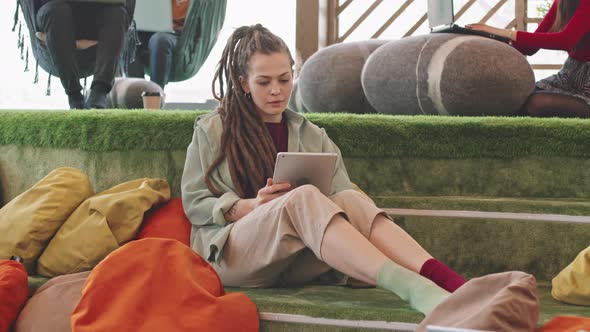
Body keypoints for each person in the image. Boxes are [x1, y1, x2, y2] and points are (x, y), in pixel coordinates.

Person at [181, 24, 467, 316]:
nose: (276, 91)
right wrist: (251, 206)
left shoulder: (313, 135)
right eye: (264, 82)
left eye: (284, 78)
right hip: (233, 258)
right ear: (244, 83)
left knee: (351, 199)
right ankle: (411, 287)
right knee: (301, 197)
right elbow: (195, 203)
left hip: (296, 260)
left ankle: (451, 282)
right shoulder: (212, 130)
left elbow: (344, 201)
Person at [466, 0, 590, 118]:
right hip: (567, 76)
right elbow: (529, 49)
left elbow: (565, 41)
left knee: (535, 103)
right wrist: (491, 38)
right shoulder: (562, 2)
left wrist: (502, 31)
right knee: (515, 96)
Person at [33, 0, 131, 109]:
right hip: (55, 14)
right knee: (56, 9)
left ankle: (99, 91)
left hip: (98, 15)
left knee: (117, 13)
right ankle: (74, 94)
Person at [126, 0, 190, 89]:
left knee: (159, 40)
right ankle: (137, 92)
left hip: (177, 32)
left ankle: (155, 95)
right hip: (147, 28)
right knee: (128, 39)